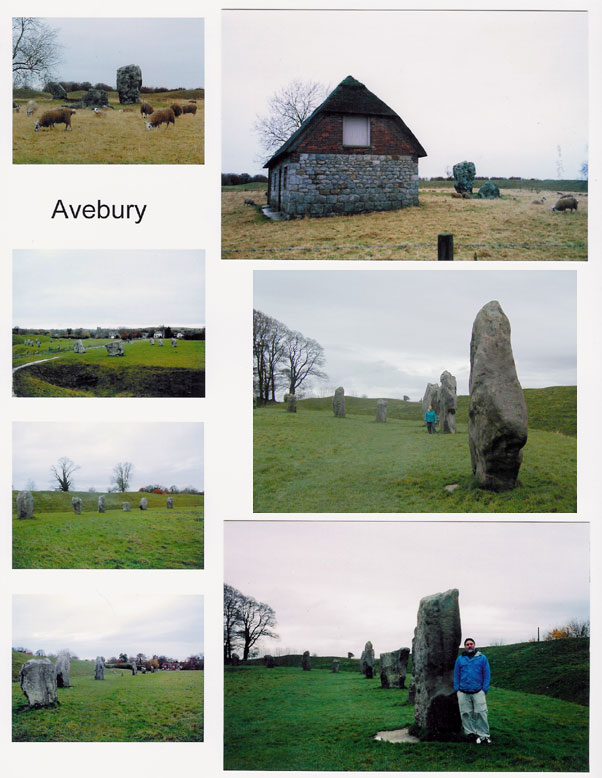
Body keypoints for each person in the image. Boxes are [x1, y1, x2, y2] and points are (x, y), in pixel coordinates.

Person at [454, 637, 491, 744]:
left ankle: (483, 735)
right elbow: (456, 675)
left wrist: (484, 689)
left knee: (481, 712)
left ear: (474, 645)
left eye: (471, 644)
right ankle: (470, 733)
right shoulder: (460, 659)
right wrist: (457, 689)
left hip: (478, 691)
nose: (469, 646)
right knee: (466, 713)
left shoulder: (482, 658)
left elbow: (486, 674)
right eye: (467, 644)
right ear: (465, 647)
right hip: (463, 691)